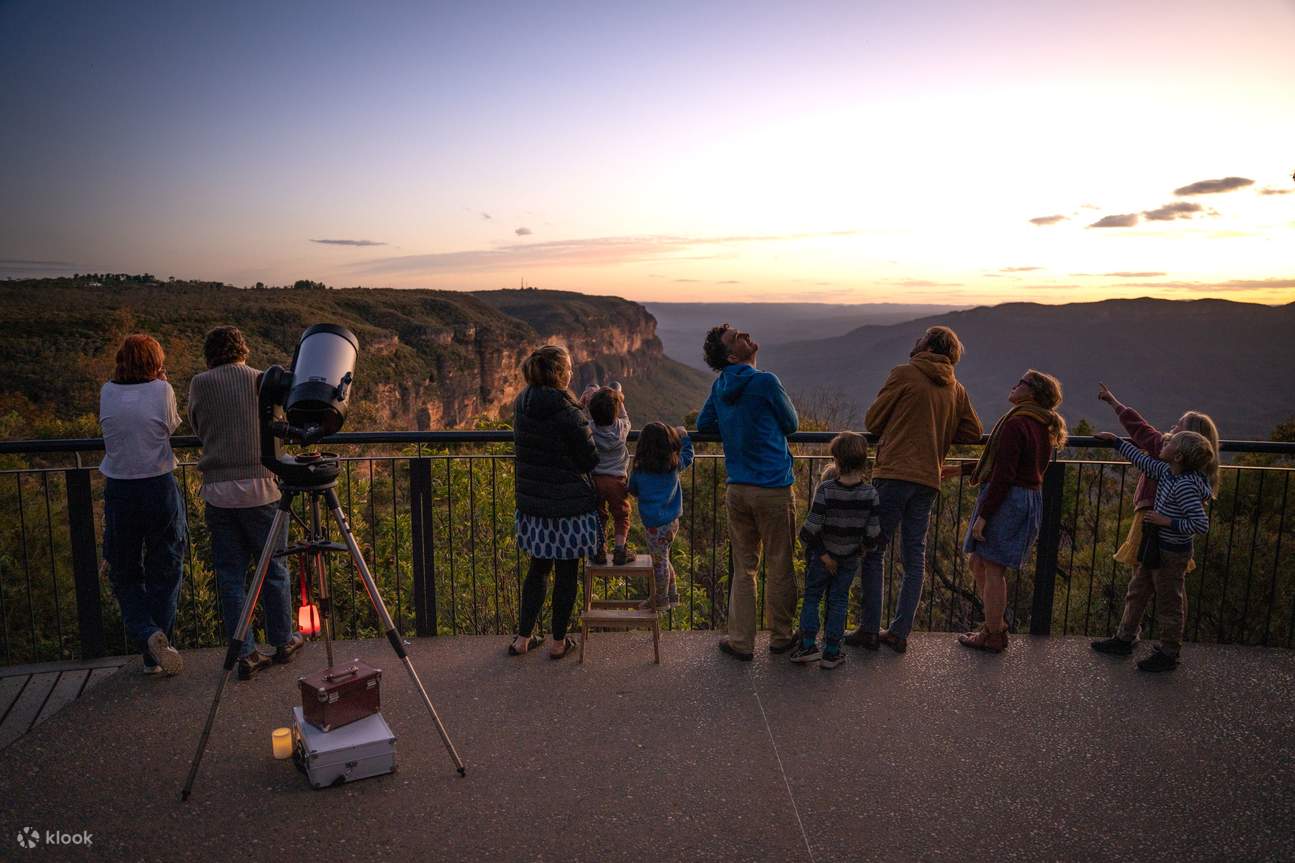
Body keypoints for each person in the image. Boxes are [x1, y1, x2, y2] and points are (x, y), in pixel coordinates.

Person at [846, 326, 983, 653]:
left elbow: (873, 421)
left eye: (920, 338)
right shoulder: (956, 388)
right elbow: (974, 431)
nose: (915, 341)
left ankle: (868, 629)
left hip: (894, 472)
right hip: (928, 479)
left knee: (874, 549)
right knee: (914, 557)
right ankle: (899, 632)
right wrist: (940, 432)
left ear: (930, 345)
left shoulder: (905, 373)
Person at [188, 326, 304, 681]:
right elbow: (282, 421)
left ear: (210, 354)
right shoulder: (261, 380)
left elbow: (197, 426)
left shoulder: (199, 383)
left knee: (230, 577)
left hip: (219, 492)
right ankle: (283, 640)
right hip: (263, 489)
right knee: (274, 568)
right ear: (243, 350)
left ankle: (246, 651)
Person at [697, 324, 799, 662]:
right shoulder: (765, 382)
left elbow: (703, 425)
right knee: (779, 563)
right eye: (737, 337)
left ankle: (741, 641)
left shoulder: (719, 385)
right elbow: (792, 424)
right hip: (772, 488)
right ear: (732, 354)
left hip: (737, 488)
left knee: (745, 568)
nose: (746, 336)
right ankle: (782, 636)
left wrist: (734, 427)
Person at [952, 370, 1066, 654]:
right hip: (1025, 498)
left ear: (1032, 393)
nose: (1015, 385)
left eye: (1021, 383)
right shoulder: (1039, 424)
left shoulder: (1018, 424)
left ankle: (992, 634)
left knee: (992, 569)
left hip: (1008, 500)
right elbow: (1015, 466)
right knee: (979, 564)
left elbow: (1004, 474)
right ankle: (996, 626)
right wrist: (959, 470)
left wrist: (984, 516)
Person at [1091, 425, 1216, 672]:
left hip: (1172, 552)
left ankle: (1169, 652)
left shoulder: (1185, 486)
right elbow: (1140, 459)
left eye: (1169, 445)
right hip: (1155, 546)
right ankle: (1125, 637)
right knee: (1137, 590)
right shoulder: (1167, 472)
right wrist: (1116, 441)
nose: (1164, 445)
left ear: (1179, 456)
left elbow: (1201, 524)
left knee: (1169, 601)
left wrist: (1166, 521)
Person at [99, 334, 186, 675]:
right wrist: (163, 385)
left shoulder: (107, 391)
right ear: (156, 362)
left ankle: (147, 634)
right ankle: (155, 651)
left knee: (124, 571)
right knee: (165, 568)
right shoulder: (162, 390)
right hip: (158, 486)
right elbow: (171, 427)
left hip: (120, 488)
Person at [509, 345, 600, 660]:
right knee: (566, 574)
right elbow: (589, 460)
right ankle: (559, 642)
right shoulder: (567, 412)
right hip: (567, 508)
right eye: (569, 368)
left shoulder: (522, 403)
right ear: (560, 373)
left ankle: (523, 638)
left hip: (534, 506)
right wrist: (584, 417)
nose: (573, 372)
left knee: (537, 570)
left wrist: (578, 409)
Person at [1093, 383, 1219, 578]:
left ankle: (1157, 609)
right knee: (1173, 580)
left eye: (1179, 425)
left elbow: (1141, 430)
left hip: (1151, 516)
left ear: (1188, 438)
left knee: (1145, 572)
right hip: (1173, 534)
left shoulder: (1166, 451)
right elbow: (1142, 451)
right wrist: (1118, 441)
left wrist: (1113, 403)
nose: (1173, 428)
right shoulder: (1193, 470)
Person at [790, 432, 881, 669]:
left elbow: (809, 530)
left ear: (837, 461)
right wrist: (856, 551)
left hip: (822, 557)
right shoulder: (870, 494)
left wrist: (823, 554)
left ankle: (808, 645)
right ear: (863, 462)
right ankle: (832, 651)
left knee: (812, 597)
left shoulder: (826, 490)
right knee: (838, 601)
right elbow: (873, 535)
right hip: (849, 559)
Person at [627, 422, 694, 610]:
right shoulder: (673, 465)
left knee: (660, 562)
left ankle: (661, 599)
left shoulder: (640, 471)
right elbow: (688, 456)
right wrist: (685, 437)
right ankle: (672, 595)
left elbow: (633, 489)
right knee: (663, 558)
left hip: (654, 526)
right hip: (672, 523)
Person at [580, 382, 634, 565]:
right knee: (621, 515)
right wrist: (619, 396)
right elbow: (626, 417)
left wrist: (586, 401)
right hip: (617, 480)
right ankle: (620, 550)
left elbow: (582, 419)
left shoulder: (590, 428)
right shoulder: (621, 428)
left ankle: (599, 550)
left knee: (598, 514)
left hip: (595, 480)